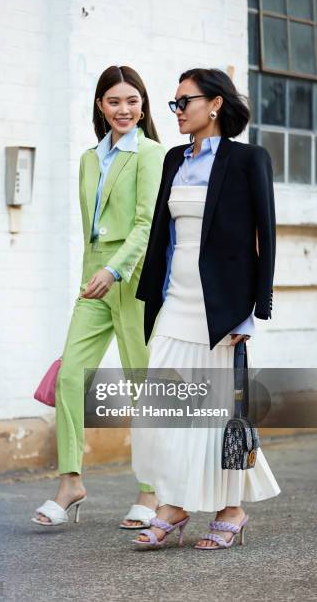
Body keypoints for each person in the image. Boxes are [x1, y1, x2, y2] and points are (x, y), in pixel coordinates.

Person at [131, 68, 281, 549]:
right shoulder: (174, 159)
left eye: (184, 102)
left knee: (218, 413)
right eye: (174, 103)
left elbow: (265, 236)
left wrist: (252, 310)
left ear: (214, 104)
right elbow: (164, 235)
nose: (176, 111)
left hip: (222, 309)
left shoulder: (247, 159)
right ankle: (174, 504)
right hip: (177, 300)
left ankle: (231, 509)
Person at [31, 65, 166, 527]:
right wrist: (95, 271)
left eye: (132, 100)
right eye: (114, 101)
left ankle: (151, 491)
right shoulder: (90, 158)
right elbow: (91, 228)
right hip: (93, 279)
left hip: (133, 275)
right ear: (100, 106)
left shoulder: (152, 154)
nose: (123, 109)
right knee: (71, 375)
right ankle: (70, 482)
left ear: (143, 105)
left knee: (141, 381)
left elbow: (147, 223)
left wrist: (114, 269)